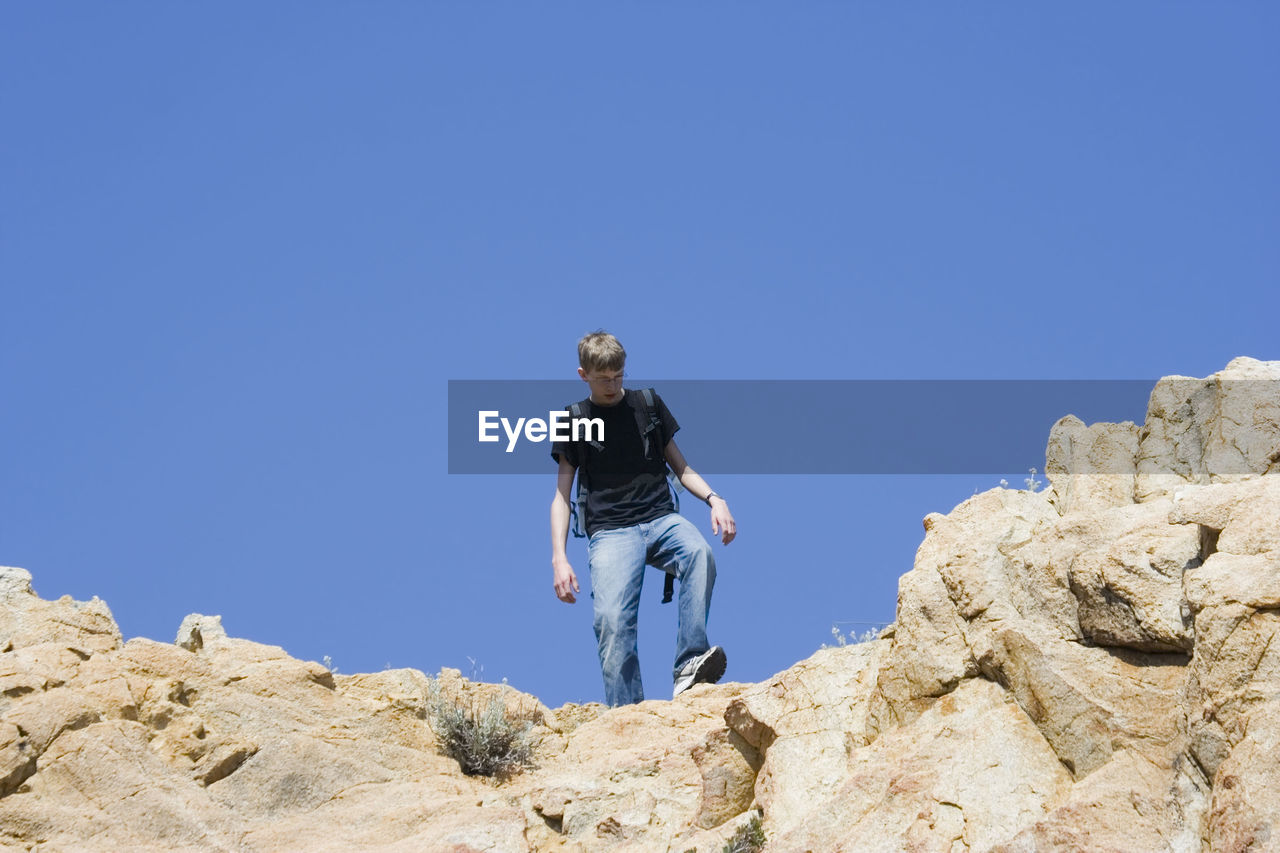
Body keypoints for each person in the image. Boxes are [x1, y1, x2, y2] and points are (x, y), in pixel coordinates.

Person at [549, 330, 737, 706]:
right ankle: (626, 714)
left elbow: (681, 468)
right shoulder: (574, 419)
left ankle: (689, 664)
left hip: (659, 518)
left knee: (700, 555)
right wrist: (559, 557)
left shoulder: (647, 404)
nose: (614, 385)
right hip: (611, 533)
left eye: (619, 375)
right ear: (583, 374)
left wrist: (715, 499)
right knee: (613, 623)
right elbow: (561, 496)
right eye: (604, 379)